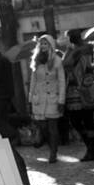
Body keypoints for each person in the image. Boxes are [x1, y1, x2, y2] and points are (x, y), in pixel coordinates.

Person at [63, 28, 94, 162]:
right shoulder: (80, 49)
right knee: (84, 120)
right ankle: (91, 144)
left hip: (79, 90)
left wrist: (69, 51)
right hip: (80, 89)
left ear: (71, 38)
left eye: (67, 37)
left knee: (80, 120)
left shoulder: (79, 51)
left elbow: (67, 64)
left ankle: (90, 148)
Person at [27, 34, 66, 163]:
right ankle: (49, 146)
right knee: (43, 127)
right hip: (39, 98)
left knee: (52, 128)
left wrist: (61, 100)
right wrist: (30, 98)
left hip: (52, 98)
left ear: (50, 45)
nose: (43, 46)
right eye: (42, 44)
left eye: (46, 44)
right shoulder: (36, 60)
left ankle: (53, 153)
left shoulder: (57, 61)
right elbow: (33, 80)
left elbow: (61, 81)